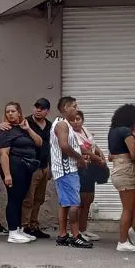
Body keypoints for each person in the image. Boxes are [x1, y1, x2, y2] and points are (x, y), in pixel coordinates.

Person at [50, 96, 94, 248]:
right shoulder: (62, 125)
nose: (77, 109)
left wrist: (89, 155)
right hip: (66, 170)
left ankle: (62, 235)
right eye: (74, 106)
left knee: (65, 203)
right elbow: (64, 145)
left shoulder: (64, 124)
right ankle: (76, 236)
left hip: (64, 169)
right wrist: (80, 159)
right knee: (75, 203)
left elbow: (73, 145)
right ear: (65, 109)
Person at [0, 102, 42, 244]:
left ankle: (19, 230)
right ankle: (12, 232)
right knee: (13, 199)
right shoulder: (5, 129)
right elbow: (3, 154)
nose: (10, 113)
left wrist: (28, 129)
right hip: (14, 166)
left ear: (19, 113)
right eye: (8, 111)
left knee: (21, 199)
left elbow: (39, 142)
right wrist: (7, 174)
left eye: (13, 111)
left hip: (26, 168)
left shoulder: (24, 127)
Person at [20, 98, 53, 239]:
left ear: (47, 111)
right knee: (28, 198)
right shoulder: (26, 122)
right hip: (30, 167)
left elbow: (51, 146)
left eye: (42, 108)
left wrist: (50, 166)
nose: (39, 110)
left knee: (39, 199)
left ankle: (34, 225)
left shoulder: (50, 125)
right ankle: (25, 226)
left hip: (44, 166)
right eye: (37, 107)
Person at [72, 110, 105, 242]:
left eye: (78, 119)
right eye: (73, 119)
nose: (76, 122)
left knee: (89, 200)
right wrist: (98, 158)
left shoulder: (85, 131)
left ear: (82, 120)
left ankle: (83, 229)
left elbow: (92, 145)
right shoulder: (71, 134)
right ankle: (77, 230)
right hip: (79, 168)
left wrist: (100, 152)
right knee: (81, 200)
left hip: (90, 168)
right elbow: (82, 149)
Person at [108, 104, 135, 251]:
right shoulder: (125, 131)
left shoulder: (113, 131)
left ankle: (131, 234)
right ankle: (123, 242)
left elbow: (111, 156)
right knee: (128, 209)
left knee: (132, 207)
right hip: (127, 171)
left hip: (119, 170)